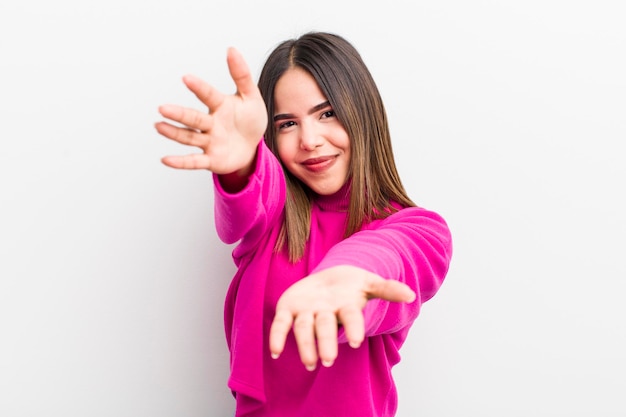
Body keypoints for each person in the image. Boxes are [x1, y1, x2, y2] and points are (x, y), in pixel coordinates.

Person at [155, 31, 452, 417]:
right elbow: (252, 197)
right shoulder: (276, 215)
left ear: (362, 113)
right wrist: (242, 163)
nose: (309, 140)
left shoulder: (418, 229)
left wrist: (348, 274)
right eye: (286, 124)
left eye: (326, 113)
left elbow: (391, 252)